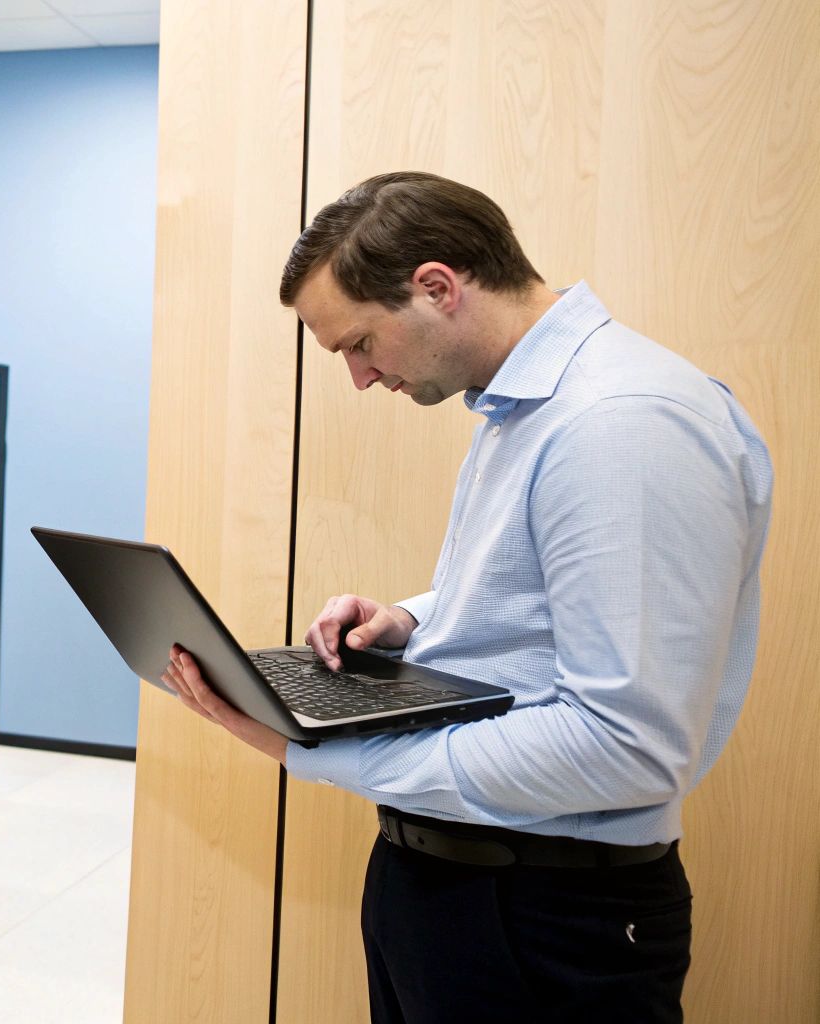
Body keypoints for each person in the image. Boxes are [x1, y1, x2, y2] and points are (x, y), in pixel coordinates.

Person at [159, 171, 773, 1023]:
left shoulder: (622, 422)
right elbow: (549, 605)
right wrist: (415, 619)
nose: (361, 378)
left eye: (358, 343)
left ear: (437, 287)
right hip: (454, 887)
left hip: (542, 916)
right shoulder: (527, 412)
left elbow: (624, 745)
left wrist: (319, 751)